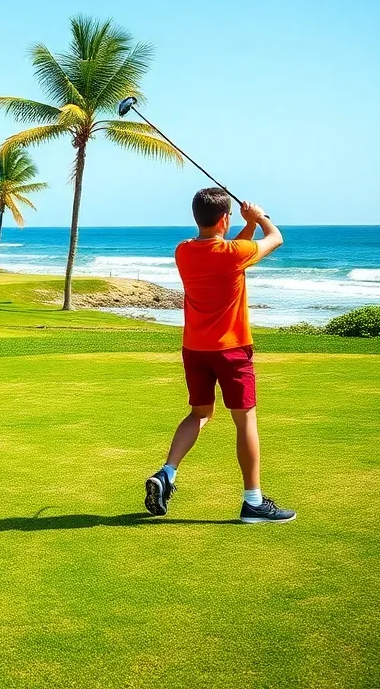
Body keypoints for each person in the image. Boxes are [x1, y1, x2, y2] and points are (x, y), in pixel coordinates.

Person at [144, 188, 294, 524]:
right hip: (231, 351)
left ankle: (167, 473)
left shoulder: (183, 251)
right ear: (225, 219)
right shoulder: (233, 253)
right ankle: (252, 502)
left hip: (195, 350)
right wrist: (259, 217)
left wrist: (247, 224)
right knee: (245, 421)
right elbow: (276, 238)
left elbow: (237, 251)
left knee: (199, 413)